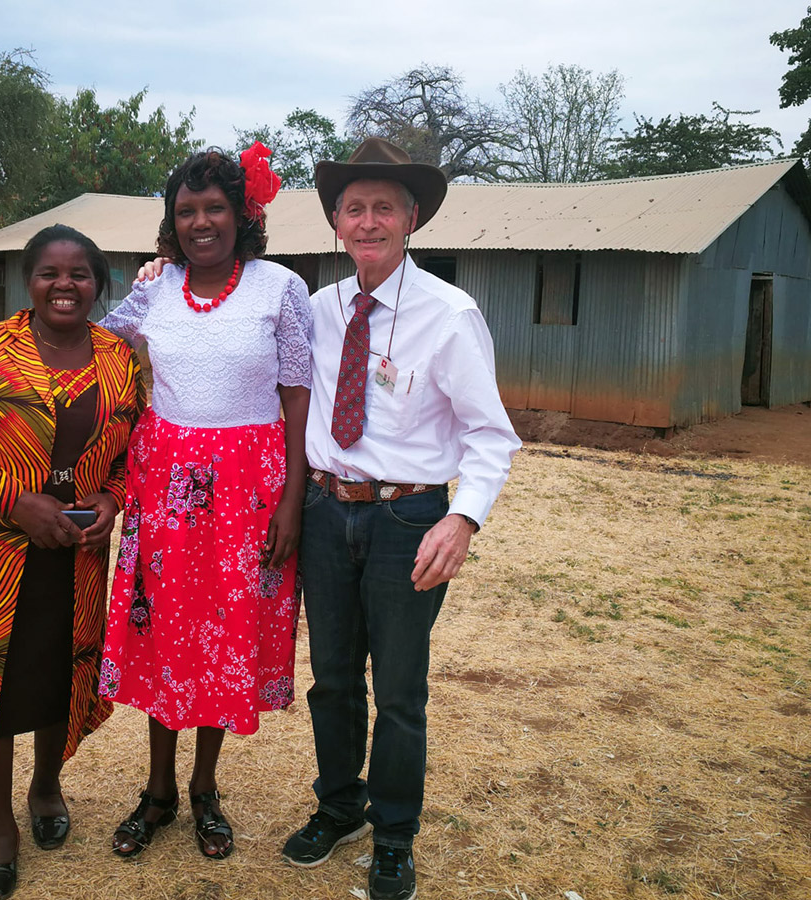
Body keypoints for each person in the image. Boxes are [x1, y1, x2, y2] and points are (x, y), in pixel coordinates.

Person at [278, 138, 521, 900]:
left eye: (385, 206)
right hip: (325, 509)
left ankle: (393, 833)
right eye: (356, 208)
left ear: (412, 216)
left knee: (401, 688)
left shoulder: (450, 315)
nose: (370, 221)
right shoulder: (317, 310)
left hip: (408, 518)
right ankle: (339, 805)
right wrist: (161, 269)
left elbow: (489, 435)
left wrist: (464, 521)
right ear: (335, 221)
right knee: (332, 679)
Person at [97, 144, 310, 862]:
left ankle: (203, 790)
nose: (200, 222)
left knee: (223, 638)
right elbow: (98, 345)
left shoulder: (280, 288)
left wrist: (292, 502)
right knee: (166, 635)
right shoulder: (155, 289)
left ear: (243, 212)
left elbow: (296, 393)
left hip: (249, 493)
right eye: (185, 211)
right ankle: (156, 792)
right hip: (167, 490)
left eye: (213, 207)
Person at [0, 225, 144, 900]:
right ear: (29, 280)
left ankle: (47, 787)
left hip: (75, 559)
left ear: (100, 285)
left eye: (80, 273)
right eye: (50, 272)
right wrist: (16, 503)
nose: (65, 285)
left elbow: (139, 449)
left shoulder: (120, 357)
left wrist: (112, 499)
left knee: (54, 678)